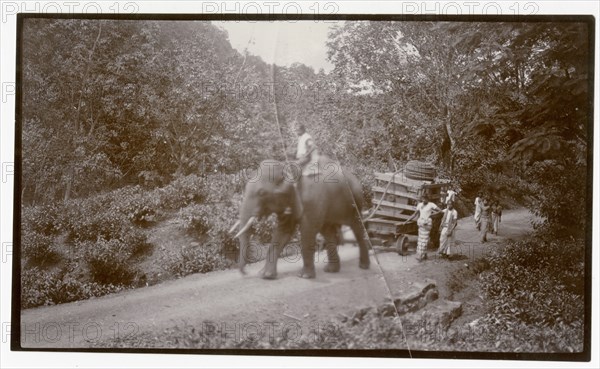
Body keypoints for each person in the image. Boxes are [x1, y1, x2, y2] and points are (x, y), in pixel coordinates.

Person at [404, 194, 441, 261]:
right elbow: (414, 214)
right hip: (421, 223)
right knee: (420, 240)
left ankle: (421, 256)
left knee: (424, 239)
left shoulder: (431, 204)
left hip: (427, 224)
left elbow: (440, 211)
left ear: (427, 199)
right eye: (423, 199)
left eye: (425, 199)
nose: (424, 200)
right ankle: (424, 254)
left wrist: (431, 215)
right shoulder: (420, 205)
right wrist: (406, 221)